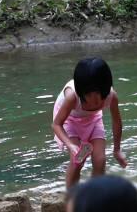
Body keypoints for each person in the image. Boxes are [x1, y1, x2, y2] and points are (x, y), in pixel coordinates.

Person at [52, 56, 127, 188]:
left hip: (93, 119)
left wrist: (117, 150)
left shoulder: (111, 96)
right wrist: (70, 145)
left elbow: (116, 122)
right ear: (81, 92)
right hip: (70, 120)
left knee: (100, 160)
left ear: (106, 88)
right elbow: (56, 124)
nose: (95, 101)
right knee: (78, 161)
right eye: (89, 95)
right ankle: (72, 197)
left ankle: (94, 195)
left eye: (99, 95)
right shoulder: (71, 97)